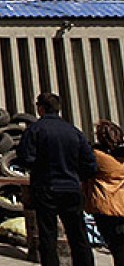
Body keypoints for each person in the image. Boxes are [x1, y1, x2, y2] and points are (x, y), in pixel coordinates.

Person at [16, 92, 98, 266]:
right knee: (78, 235)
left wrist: (40, 168)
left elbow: (25, 158)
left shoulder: (35, 130)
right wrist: (76, 176)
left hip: (46, 188)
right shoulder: (74, 131)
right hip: (71, 188)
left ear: (40, 108)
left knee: (48, 236)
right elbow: (91, 165)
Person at [86, 120, 124, 266]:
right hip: (121, 204)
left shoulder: (97, 157)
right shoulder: (119, 157)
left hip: (106, 206)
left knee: (117, 248)